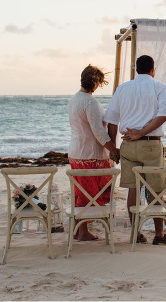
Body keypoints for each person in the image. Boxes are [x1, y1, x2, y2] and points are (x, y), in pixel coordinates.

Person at [104, 55, 166, 245]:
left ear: (136, 70)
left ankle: (136, 233)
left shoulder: (122, 88)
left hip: (128, 145)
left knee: (133, 190)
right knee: (156, 190)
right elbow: (164, 115)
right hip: (150, 144)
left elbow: (112, 120)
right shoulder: (159, 87)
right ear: (153, 69)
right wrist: (141, 132)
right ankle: (159, 235)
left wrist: (114, 148)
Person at [67, 64, 119, 241]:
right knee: (90, 193)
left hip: (76, 151)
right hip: (90, 155)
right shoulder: (90, 102)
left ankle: (77, 230)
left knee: (81, 192)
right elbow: (98, 131)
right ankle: (83, 232)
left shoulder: (74, 99)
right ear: (96, 84)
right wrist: (113, 150)